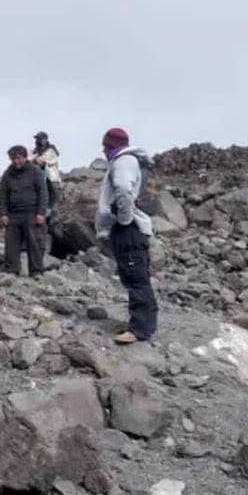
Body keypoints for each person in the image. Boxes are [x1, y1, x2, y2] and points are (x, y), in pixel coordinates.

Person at [95, 127, 158, 345]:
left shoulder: (123, 162)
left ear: (111, 145)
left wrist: (123, 219)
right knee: (137, 275)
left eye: (106, 146)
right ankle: (146, 323)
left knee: (135, 276)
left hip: (128, 228)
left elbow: (122, 188)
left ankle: (140, 329)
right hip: (132, 227)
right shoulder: (128, 161)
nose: (103, 150)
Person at [0, 145, 47, 276]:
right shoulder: (8, 174)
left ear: (25, 157)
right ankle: (11, 270)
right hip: (13, 214)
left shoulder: (35, 171)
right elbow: (2, 195)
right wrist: (3, 214)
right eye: (13, 158)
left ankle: (36, 271)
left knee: (35, 243)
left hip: (32, 213)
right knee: (11, 244)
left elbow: (43, 192)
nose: (16, 161)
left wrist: (41, 213)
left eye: (18, 158)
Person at [31, 131, 62, 211]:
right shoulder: (36, 150)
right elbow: (30, 158)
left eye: (39, 139)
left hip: (51, 176)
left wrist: (34, 159)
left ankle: (50, 212)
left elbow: (41, 160)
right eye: (37, 139)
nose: (37, 140)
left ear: (45, 140)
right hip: (39, 176)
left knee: (51, 195)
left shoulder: (51, 149)